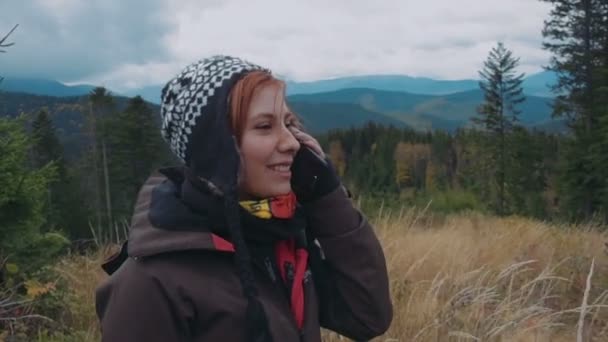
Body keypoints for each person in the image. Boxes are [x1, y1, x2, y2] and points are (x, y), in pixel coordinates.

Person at [95, 55, 392, 342]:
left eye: (289, 124)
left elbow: (367, 318)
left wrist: (326, 195)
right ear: (213, 149)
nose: (291, 142)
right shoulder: (152, 284)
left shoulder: (279, 236)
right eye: (264, 126)